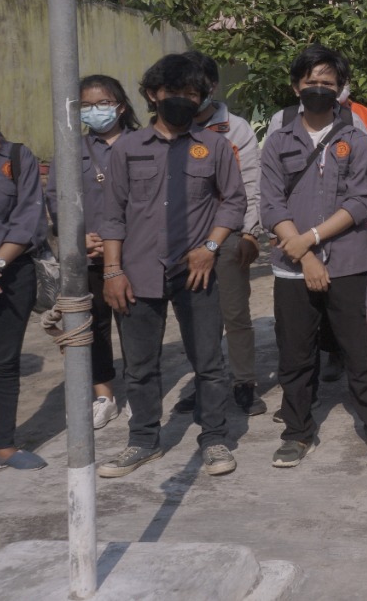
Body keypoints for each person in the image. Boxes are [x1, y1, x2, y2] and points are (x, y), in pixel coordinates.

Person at [98, 54, 247, 478]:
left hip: (196, 272)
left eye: (192, 94)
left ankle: (215, 439)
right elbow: (113, 214)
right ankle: (143, 440)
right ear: (152, 95)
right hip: (137, 273)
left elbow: (234, 201)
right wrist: (112, 271)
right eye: (173, 93)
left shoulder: (214, 146)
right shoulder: (127, 148)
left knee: (209, 363)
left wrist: (210, 247)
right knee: (141, 366)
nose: (182, 100)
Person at [260, 45, 367, 469]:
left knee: (360, 353)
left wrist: (310, 238)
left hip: (350, 263)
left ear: (341, 90)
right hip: (292, 268)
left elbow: (362, 200)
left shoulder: (356, 138)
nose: (318, 90)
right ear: (296, 86)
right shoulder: (277, 141)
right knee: (295, 356)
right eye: (311, 82)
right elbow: (270, 203)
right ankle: (296, 432)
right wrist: (306, 255)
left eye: (327, 84)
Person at [44, 75, 140, 430]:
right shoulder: (71, 149)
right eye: (86, 105)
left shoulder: (142, 144)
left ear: (121, 106)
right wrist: (77, 237)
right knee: (93, 327)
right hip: (87, 256)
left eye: (102, 103)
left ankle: (141, 393)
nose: (95, 111)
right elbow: (56, 198)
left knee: (136, 326)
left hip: (133, 254)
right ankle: (105, 395)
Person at [175, 50, 266, 417]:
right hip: (184, 241)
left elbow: (250, 184)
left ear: (211, 87)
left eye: (195, 87)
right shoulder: (169, 128)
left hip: (227, 236)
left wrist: (250, 234)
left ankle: (244, 381)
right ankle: (205, 382)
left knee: (234, 313)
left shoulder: (236, 129)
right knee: (197, 318)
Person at [0, 77, 48, 470]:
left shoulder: (16, 157)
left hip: (10, 272)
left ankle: (3, 446)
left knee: (3, 361)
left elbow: (28, 217)